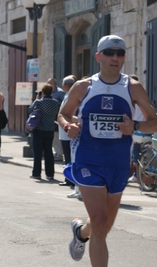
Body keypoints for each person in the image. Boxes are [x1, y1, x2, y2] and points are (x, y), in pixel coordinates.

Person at [58, 35, 157, 267]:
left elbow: (154, 121)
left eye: (119, 53)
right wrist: (67, 126)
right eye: (109, 53)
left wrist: (134, 126)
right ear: (98, 56)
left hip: (118, 162)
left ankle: (81, 233)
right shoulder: (83, 86)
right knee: (101, 222)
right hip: (88, 159)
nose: (115, 57)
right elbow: (63, 113)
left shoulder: (133, 87)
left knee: (101, 226)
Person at [28, 83, 60, 180]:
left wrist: (36, 99)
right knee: (48, 152)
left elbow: (30, 110)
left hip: (39, 129)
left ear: (43, 92)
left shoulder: (39, 102)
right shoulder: (55, 103)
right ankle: (50, 174)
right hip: (50, 129)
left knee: (37, 153)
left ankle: (36, 173)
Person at [58, 75, 76, 187]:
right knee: (68, 156)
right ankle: (69, 178)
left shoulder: (71, 96)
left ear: (65, 85)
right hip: (64, 130)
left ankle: (70, 179)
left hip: (68, 131)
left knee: (69, 156)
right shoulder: (67, 95)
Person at [47, 77, 65, 161]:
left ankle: (59, 154)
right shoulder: (49, 92)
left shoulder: (60, 92)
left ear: (53, 84)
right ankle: (56, 152)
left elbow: (64, 103)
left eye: (49, 83)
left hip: (57, 117)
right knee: (53, 136)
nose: (48, 85)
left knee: (57, 136)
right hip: (50, 117)